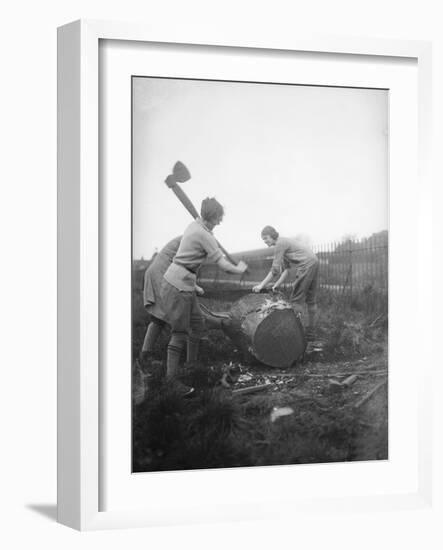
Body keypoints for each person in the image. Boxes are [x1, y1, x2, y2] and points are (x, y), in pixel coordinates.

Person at [160, 197, 248, 393]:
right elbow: (223, 264)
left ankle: (191, 366)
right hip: (177, 286)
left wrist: (195, 287)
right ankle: (171, 382)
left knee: (198, 326)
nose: (219, 222)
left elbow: (189, 261)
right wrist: (238, 269)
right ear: (213, 216)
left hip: (185, 283)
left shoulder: (195, 225)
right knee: (179, 333)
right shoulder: (204, 235)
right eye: (218, 218)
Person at [139, 235, 230, 366]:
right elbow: (184, 268)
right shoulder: (194, 240)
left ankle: (146, 354)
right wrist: (195, 287)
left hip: (162, 271)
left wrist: (193, 287)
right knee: (176, 314)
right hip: (162, 272)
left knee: (160, 317)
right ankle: (186, 362)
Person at [253, 225, 319, 338]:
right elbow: (285, 271)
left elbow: (274, 270)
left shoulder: (280, 243)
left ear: (272, 235)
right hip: (314, 261)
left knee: (296, 300)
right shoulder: (284, 243)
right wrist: (275, 285)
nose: (265, 241)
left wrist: (261, 285)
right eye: (263, 239)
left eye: (266, 238)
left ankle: (293, 334)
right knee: (311, 300)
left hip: (306, 265)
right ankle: (311, 332)